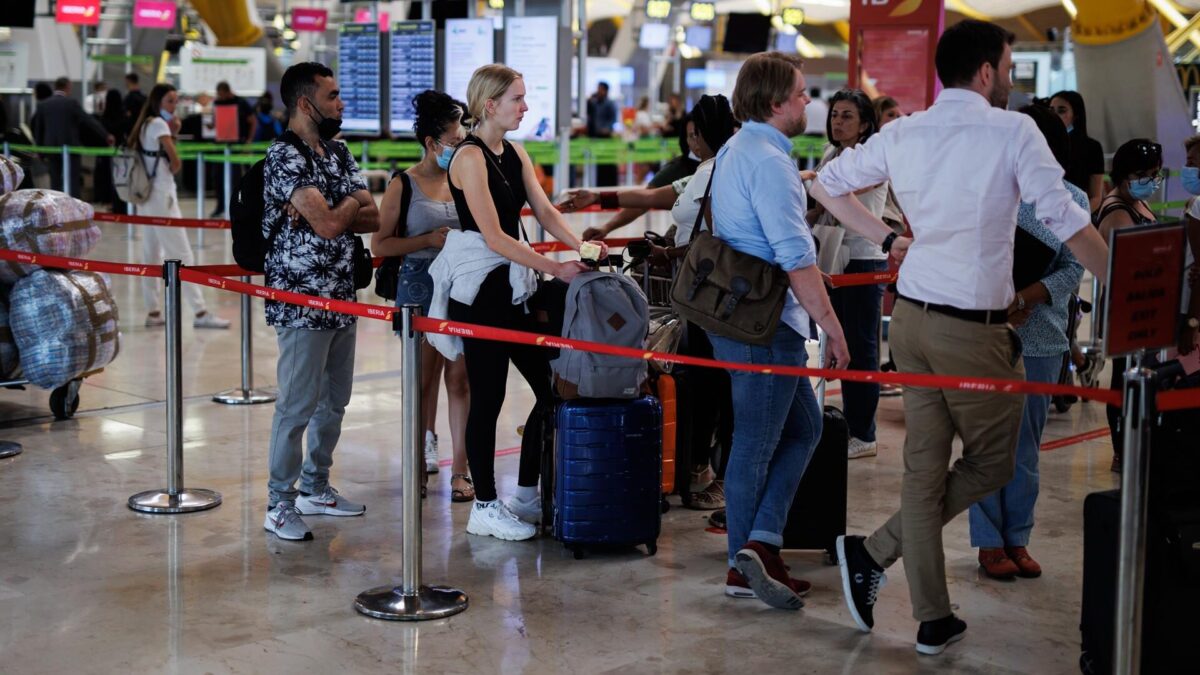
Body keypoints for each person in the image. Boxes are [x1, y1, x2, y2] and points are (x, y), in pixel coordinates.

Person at [811, 20, 1109, 655]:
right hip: (969, 330)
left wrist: (891, 240)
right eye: (1006, 66)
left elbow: (826, 184)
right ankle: (875, 554)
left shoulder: (906, 130)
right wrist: (1131, 281)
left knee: (924, 472)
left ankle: (925, 611)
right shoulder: (1013, 130)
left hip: (914, 319)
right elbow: (1062, 215)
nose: (1009, 78)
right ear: (985, 72)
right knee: (993, 461)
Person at [699, 51, 856, 611]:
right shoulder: (766, 160)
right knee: (757, 444)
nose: (809, 102)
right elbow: (796, 256)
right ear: (774, 103)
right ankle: (745, 564)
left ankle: (761, 544)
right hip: (764, 325)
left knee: (803, 429)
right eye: (801, 93)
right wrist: (832, 329)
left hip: (741, 318)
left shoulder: (740, 150)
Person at [434, 64, 599, 542]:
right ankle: (484, 504)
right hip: (483, 292)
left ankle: (525, 493)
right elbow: (494, 235)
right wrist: (556, 268)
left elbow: (544, 212)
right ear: (490, 105)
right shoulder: (468, 157)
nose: (525, 107)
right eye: (518, 99)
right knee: (488, 396)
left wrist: (580, 249)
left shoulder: (516, 152)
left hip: (513, 287)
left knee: (551, 389)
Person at [563, 95, 738, 510]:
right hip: (694, 297)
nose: (690, 142)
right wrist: (598, 200)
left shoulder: (731, 171)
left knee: (725, 385)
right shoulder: (700, 174)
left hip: (720, 297)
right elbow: (652, 197)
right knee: (701, 381)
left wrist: (674, 254)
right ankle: (698, 468)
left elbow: (714, 241)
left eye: (694, 134)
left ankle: (726, 478)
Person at [261, 62, 380, 541]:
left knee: (335, 402)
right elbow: (336, 223)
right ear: (306, 104)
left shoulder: (337, 151)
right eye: (333, 96)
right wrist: (346, 206)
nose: (341, 104)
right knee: (296, 406)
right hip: (300, 300)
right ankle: (279, 501)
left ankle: (315, 486)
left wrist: (340, 207)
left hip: (342, 295)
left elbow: (371, 217)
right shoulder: (283, 157)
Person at [968, 103, 1085, 581]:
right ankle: (989, 542)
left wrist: (1029, 294)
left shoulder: (1071, 199)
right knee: (983, 444)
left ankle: (1018, 536)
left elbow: (1075, 267)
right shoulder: (987, 191)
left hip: (1040, 335)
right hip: (984, 331)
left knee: (1025, 447)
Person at [370, 90, 474, 503]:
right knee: (424, 381)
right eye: (454, 137)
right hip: (418, 287)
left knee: (460, 380)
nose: (461, 141)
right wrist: (428, 239)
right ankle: (419, 458)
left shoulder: (466, 178)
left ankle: (461, 470)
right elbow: (380, 244)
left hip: (462, 287)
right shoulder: (404, 184)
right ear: (432, 143)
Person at [805, 89, 888, 460]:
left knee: (860, 348)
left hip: (863, 261)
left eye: (847, 116)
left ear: (866, 123)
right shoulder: (830, 154)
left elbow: (836, 191)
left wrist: (809, 183)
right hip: (833, 256)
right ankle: (841, 425)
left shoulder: (869, 159)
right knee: (836, 344)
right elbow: (820, 203)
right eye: (835, 114)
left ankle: (864, 432)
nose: (838, 121)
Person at [132, 83, 231, 331]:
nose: (173, 106)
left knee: (151, 252)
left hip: (148, 199)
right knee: (182, 253)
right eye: (169, 101)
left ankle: (153, 311)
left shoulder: (145, 124)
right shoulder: (158, 125)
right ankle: (200, 311)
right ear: (158, 102)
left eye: (175, 101)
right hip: (162, 197)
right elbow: (175, 163)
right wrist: (174, 132)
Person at [1094, 138, 1161, 474]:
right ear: (1122, 174)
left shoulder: (1134, 202)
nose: (1148, 180)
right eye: (1141, 174)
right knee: (1123, 378)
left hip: (1143, 303)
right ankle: (1122, 449)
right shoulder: (1118, 209)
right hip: (1125, 304)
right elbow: (1127, 266)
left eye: (1153, 174)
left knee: (1137, 375)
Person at [579, 120, 698, 242]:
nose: (696, 141)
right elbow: (648, 197)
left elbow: (648, 197)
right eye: (691, 136)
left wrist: (597, 198)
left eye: (699, 134)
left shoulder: (706, 173)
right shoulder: (681, 169)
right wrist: (598, 201)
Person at [31, 77, 113, 196]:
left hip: (51, 148)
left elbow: (39, 129)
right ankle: (73, 207)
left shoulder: (43, 105)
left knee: (55, 180)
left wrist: (40, 150)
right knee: (72, 179)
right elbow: (89, 121)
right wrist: (106, 135)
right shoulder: (71, 103)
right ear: (68, 87)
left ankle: (55, 206)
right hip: (70, 147)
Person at [1050, 91, 1106, 212]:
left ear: (1075, 115)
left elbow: (1096, 197)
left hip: (1079, 215)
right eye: (1051, 110)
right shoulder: (1042, 144)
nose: (1054, 115)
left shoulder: (1091, 147)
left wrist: (1078, 220)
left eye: (1061, 110)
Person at [211, 81, 258, 217]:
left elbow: (253, 121)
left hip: (237, 144)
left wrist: (249, 140)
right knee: (218, 176)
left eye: (222, 94)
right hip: (221, 144)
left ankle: (238, 206)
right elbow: (216, 121)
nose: (221, 97)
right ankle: (220, 206)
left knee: (236, 178)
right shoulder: (217, 103)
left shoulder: (241, 103)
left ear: (227, 91)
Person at [94, 89, 128, 214]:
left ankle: (112, 203)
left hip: (107, 154)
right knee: (122, 179)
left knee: (110, 179)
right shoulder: (124, 116)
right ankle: (123, 204)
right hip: (123, 153)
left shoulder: (104, 117)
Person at [586, 81, 619, 186]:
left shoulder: (610, 104)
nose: (598, 91)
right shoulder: (595, 103)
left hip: (606, 137)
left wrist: (606, 129)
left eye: (600, 89)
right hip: (596, 136)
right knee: (599, 164)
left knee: (608, 164)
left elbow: (613, 119)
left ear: (605, 91)